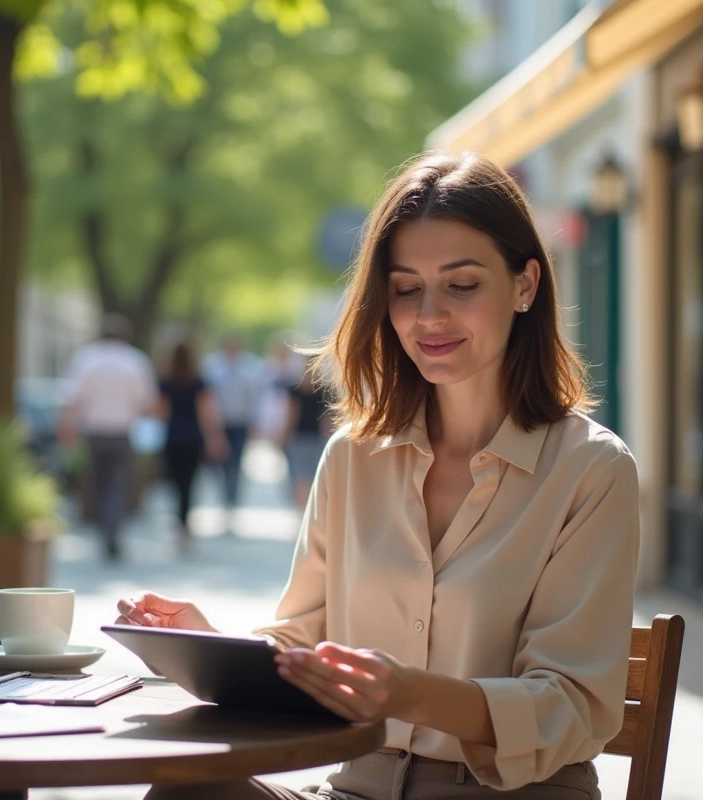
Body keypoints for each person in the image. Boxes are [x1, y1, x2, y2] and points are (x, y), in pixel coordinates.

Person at [117, 152, 639, 799]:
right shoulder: (352, 458)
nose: (429, 317)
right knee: (187, 790)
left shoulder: (593, 471)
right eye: (406, 288)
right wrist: (213, 652)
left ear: (526, 285)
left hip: (509, 793)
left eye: (463, 284)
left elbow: (570, 705)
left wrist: (409, 694)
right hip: (356, 788)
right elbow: (302, 641)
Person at [60, 313, 157, 561]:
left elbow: (72, 400)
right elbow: (147, 402)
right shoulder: (135, 361)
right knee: (118, 485)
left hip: (93, 433)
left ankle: (106, 530)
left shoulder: (86, 359)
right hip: (122, 433)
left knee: (98, 484)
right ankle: (112, 531)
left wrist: (68, 430)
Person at [157, 340, 229, 554]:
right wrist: (216, 437)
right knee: (189, 485)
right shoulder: (198, 382)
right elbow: (207, 413)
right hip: (193, 439)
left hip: (171, 438)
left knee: (176, 485)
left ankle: (179, 525)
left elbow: (161, 412)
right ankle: (184, 530)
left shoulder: (165, 382)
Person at [202, 333, 265, 522]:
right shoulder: (211, 366)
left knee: (236, 459)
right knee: (217, 461)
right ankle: (223, 492)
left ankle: (232, 496)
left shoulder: (251, 367)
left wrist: (255, 422)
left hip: (240, 422)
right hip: (218, 422)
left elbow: (255, 398)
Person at [280, 358, 332, 510]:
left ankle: (303, 509)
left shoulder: (298, 389)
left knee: (301, 475)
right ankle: (308, 508)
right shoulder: (324, 390)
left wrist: (285, 436)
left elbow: (291, 416)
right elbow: (327, 419)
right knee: (312, 475)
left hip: (303, 437)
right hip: (312, 438)